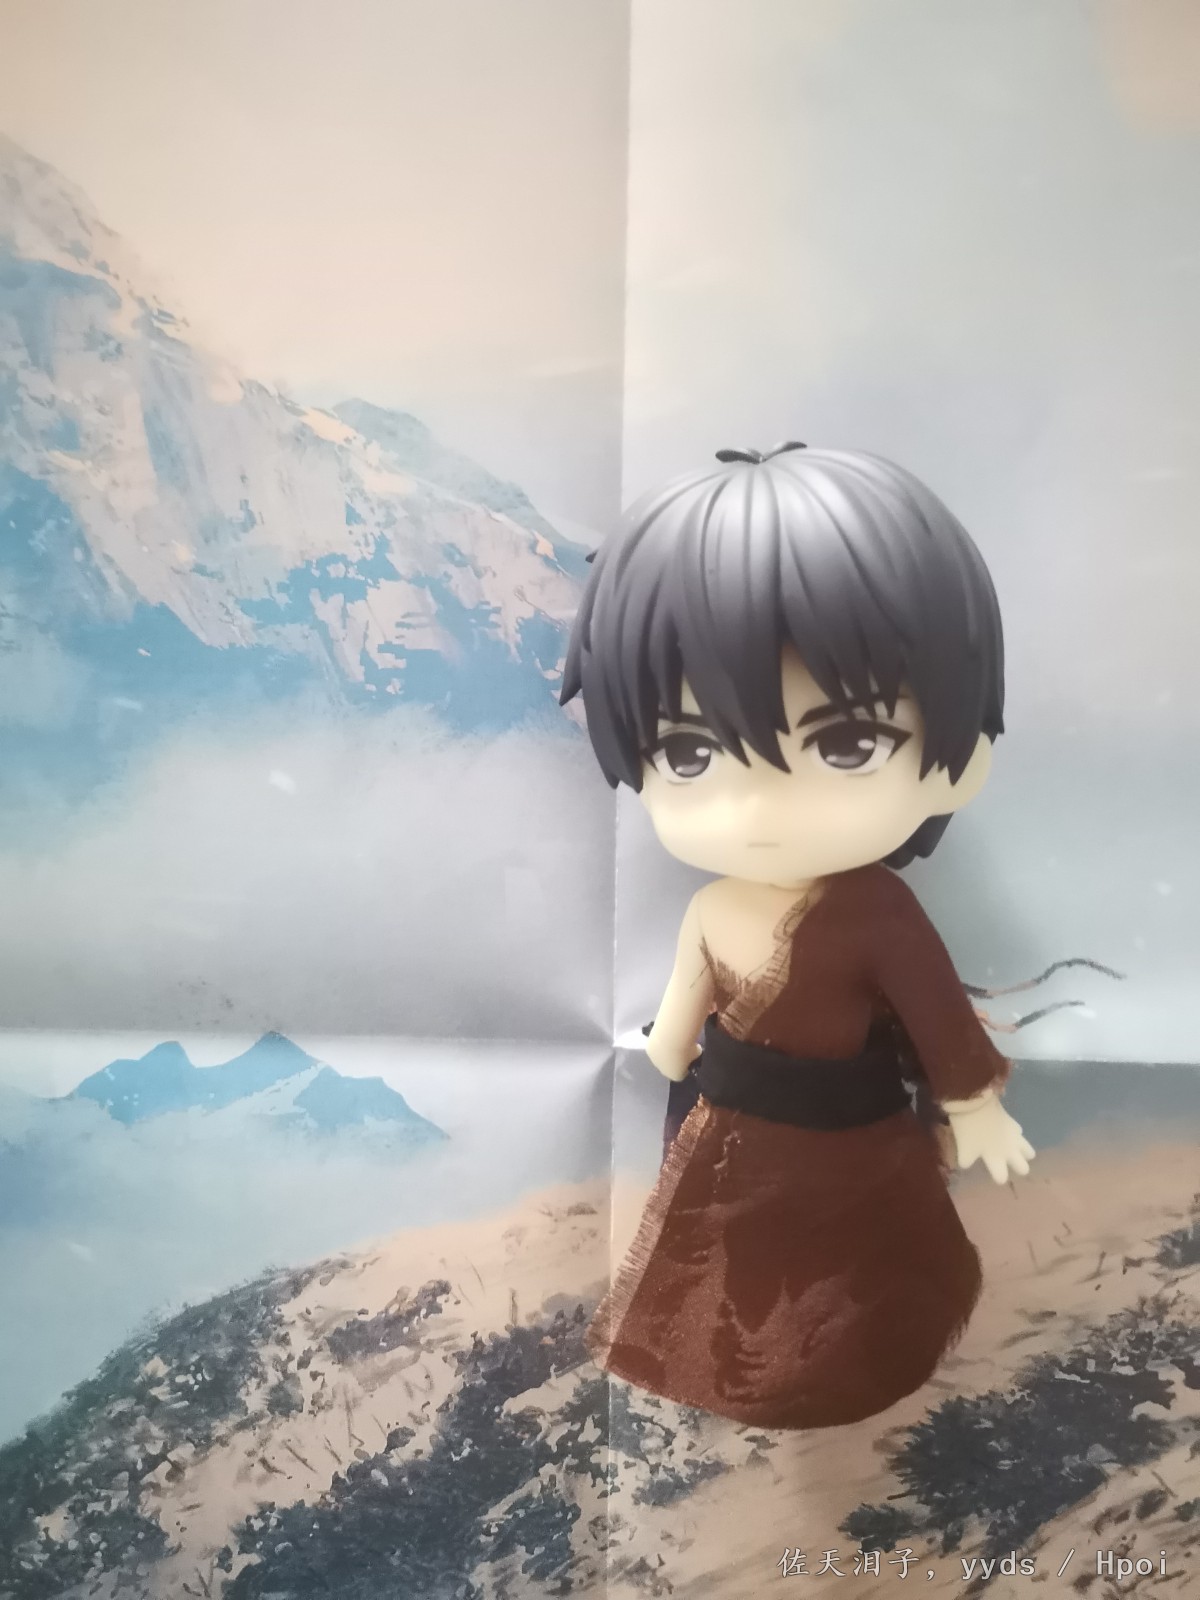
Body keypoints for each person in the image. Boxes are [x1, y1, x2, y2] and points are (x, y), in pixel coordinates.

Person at [559, 440, 1034, 1430]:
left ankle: (846, 1365)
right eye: (689, 751)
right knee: (744, 1266)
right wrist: (669, 1057)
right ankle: (754, 1372)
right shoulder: (711, 908)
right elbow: (681, 1013)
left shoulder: (878, 910)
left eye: (848, 743)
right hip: (731, 1125)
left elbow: (937, 1016)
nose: (757, 806)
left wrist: (974, 1103)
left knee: (850, 1261)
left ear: (960, 762)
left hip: (849, 1132)